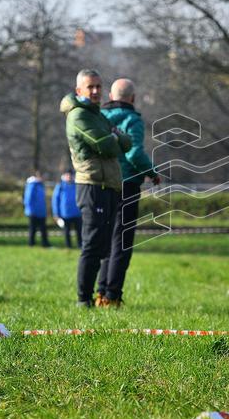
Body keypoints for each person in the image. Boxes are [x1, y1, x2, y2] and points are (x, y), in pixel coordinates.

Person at [61, 69, 132, 308]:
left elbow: (126, 141)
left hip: (109, 185)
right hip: (91, 186)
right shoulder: (78, 116)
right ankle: (83, 299)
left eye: (99, 87)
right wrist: (113, 137)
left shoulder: (98, 115)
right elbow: (107, 145)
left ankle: (100, 295)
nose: (95, 91)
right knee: (92, 245)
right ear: (79, 90)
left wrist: (113, 137)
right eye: (90, 87)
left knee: (105, 246)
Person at [99, 78, 160, 305]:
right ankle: (113, 295)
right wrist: (152, 172)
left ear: (111, 96)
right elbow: (134, 154)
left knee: (105, 239)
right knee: (121, 241)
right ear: (132, 98)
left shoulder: (100, 118)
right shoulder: (132, 119)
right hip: (127, 184)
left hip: (104, 182)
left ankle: (100, 291)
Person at [52, 170, 82, 249]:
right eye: (67, 175)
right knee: (67, 232)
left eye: (70, 175)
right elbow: (55, 200)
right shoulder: (60, 186)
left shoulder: (77, 185)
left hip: (77, 213)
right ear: (64, 176)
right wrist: (56, 214)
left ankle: (80, 245)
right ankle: (68, 246)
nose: (69, 177)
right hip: (65, 214)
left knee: (79, 231)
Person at [23, 171, 49, 247]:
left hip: (41, 211)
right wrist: (30, 210)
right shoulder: (32, 185)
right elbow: (28, 199)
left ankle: (45, 243)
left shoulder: (40, 185)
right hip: (33, 212)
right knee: (32, 229)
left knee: (43, 229)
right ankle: (31, 243)